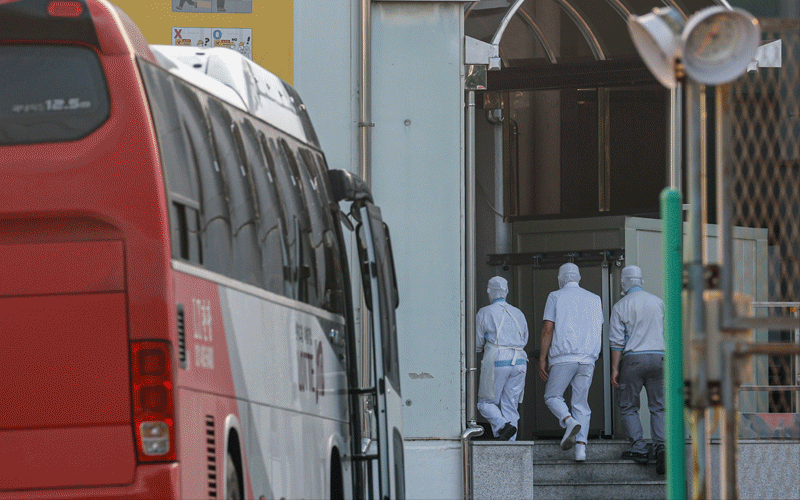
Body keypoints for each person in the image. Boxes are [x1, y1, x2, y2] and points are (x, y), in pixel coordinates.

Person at [539, 263, 603, 462]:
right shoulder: (595, 299)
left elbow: (548, 329)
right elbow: (598, 327)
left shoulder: (555, 296)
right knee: (581, 403)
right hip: (587, 359)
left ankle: (568, 421)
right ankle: (581, 449)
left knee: (552, 396)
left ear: (560, 278)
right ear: (578, 277)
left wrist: (542, 357)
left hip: (563, 357)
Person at [610, 265, 666, 475]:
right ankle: (661, 447)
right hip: (660, 357)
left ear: (624, 282)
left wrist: (615, 369)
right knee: (659, 406)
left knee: (628, 406)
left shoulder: (620, 306)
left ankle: (639, 448)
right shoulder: (658, 302)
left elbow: (616, 342)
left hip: (633, 360)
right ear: (641, 281)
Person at [476, 276, 529, 441]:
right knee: (511, 405)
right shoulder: (518, 313)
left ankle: (503, 426)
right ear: (507, 291)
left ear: (489, 291)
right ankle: (510, 444)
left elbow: (477, 343)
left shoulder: (485, 312)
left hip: (498, 360)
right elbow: (525, 337)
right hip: (520, 360)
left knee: (485, 403)